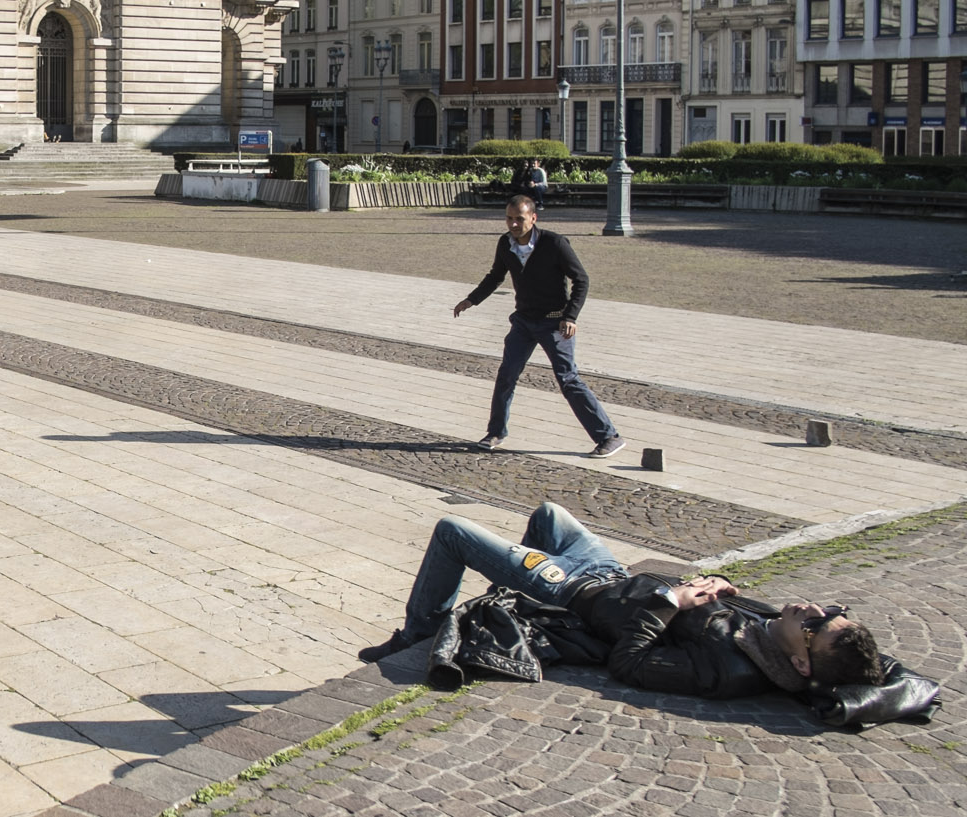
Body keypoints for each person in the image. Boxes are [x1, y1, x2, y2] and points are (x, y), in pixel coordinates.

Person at [356, 503, 888, 699]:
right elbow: (882, 671)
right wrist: (721, 588)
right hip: (607, 573)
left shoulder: (728, 670)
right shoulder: (771, 629)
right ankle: (516, 597)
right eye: (833, 610)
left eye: (821, 625)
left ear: (801, 661)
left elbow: (629, 662)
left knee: (453, 530)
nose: (815, 610)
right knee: (548, 515)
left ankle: (418, 632)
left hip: (577, 589)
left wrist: (671, 602)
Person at [453, 195, 626, 458]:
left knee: (568, 379)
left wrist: (571, 316)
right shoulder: (505, 243)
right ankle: (496, 432)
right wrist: (471, 300)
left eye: (519, 219)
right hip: (524, 320)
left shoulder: (554, 243)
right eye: (509, 218)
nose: (513, 224)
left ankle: (608, 436)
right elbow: (495, 276)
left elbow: (581, 279)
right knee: (506, 375)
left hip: (555, 322)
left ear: (533, 218)